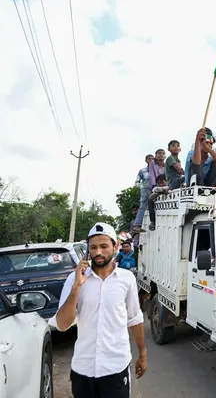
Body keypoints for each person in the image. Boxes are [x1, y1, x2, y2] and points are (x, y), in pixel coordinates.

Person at [53, 222, 147, 397]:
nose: (98, 252)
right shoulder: (75, 278)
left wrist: (142, 354)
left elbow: (135, 318)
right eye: (93, 247)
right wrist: (76, 288)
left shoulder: (126, 279)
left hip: (116, 367)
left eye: (104, 246)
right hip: (83, 369)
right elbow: (62, 324)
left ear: (115, 246)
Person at [132, 154, 154, 233]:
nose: (151, 160)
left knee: (152, 205)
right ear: (146, 160)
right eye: (149, 159)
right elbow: (137, 181)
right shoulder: (142, 170)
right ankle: (137, 225)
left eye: (152, 158)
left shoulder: (156, 169)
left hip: (154, 188)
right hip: (145, 189)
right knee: (143, 205)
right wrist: (141, 187)